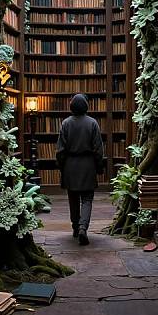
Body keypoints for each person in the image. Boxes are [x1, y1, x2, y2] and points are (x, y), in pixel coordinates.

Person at [56, 93, 104, 246]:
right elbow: (98, 148)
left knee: (73, 199)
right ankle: (84, 227)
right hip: (88, 165)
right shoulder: (92, 123)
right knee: (87, 200)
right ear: (86, 106)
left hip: (70, 165)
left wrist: (61, 166)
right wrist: (99, 166)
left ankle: (75, 227)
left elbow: (60, 150)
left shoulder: (66, 123)